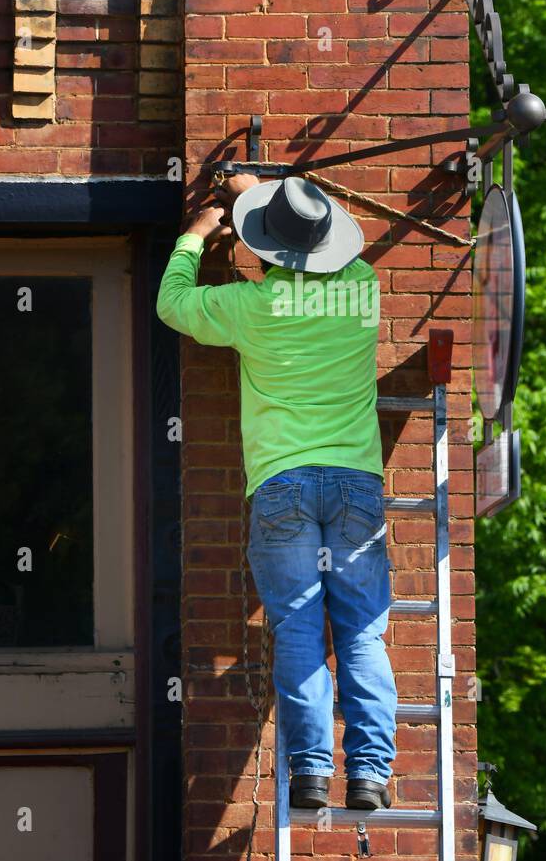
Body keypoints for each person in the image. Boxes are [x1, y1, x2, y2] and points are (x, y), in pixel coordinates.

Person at [156, 173, 397, 811]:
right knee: (363, 633)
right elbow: (333, 250)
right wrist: (264, 196)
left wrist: (195, 236)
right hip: (357, 486)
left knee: (296, 628)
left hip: (283, 484)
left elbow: (173, 305)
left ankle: (312, 772)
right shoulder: (363, 292)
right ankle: (369, 774)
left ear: (268, 250)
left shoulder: (248, 307)